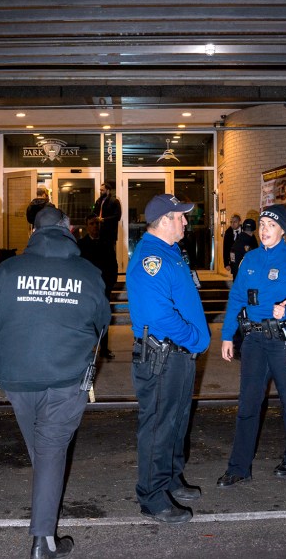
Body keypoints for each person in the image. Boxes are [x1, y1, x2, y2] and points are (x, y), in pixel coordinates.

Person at [0, 206, 108, 559]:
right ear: (69, 230)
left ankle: (45, 535)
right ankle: (41, 544)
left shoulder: (6, 272)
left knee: (45, 452)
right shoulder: (86, 272)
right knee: (48, 453)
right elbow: (103, 319)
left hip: (17, 380)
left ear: (33, 233)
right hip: (65, 379)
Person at [126, 194, 211, 524]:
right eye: (180, 217)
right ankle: (151, 495)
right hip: (163, 355)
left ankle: (170, 478)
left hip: (177, 356)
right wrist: (195, 339)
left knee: (176, 422)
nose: (186, 222)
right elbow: (159, 316)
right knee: (159, 426)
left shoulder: (171, 253)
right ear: (163, 221)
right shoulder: (152, 258)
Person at [218, 204, 286, 488]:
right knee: (247, 403)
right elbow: (236, 298)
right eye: (261, 225)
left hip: (284, 341)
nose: (264, 230)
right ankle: (239, 466)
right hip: (254, 341)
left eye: (270, 225)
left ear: (282, 229)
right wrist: (227, 335)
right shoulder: (249, 260)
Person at [78, 214, 118, 359]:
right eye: (92, 223)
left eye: (97, 224)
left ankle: (104, 348)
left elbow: (113, 266)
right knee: (86, 319)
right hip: (87, 290)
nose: (95, 226)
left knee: (104, 319)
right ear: (87, 225)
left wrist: (109, 284)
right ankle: (87, 348)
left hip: (103, 288)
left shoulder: (107, 243)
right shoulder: (81, 245)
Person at [91, 180, 122, 248]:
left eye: (102, 190)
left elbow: (117, 216)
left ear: (108, 190)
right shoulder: (99, 201)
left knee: (109, 252)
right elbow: (94, 212)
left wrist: (104, 219)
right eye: (100, 190)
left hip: (109, 233)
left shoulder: (114, 201)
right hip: (98, 231)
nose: (101, 192)